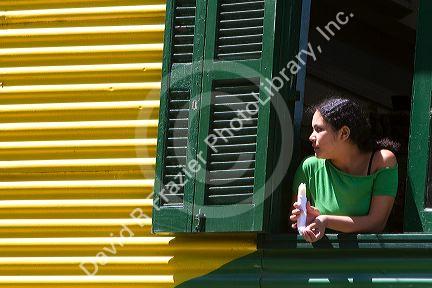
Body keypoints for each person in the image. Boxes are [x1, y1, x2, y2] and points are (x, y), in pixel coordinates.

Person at [289, 98, 399, 243]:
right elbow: (293, 228)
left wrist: (326, 220)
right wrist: (305, 222)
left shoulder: (383, 161)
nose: (311, 137)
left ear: (344, 133)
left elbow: (377, 223)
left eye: (319, 129)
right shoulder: (308, 167)